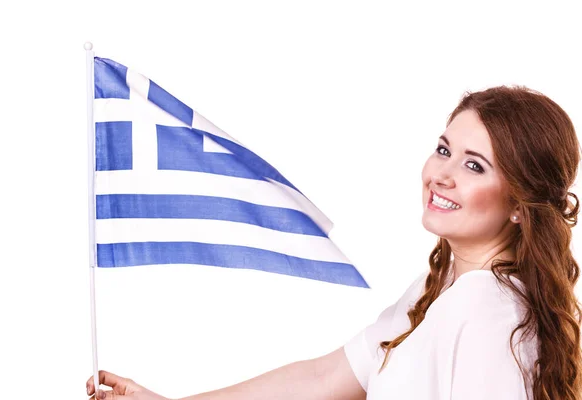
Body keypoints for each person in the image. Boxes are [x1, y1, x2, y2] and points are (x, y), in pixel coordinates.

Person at [86, 86, 582, 400]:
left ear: (520, 203)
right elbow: (325, 379)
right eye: (444, 150)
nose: (442, 175)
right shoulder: (441, 289)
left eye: (475, 166)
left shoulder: (484, 306)